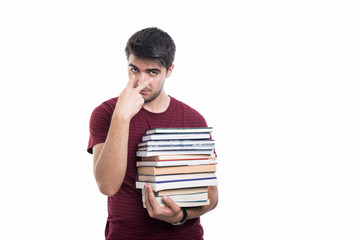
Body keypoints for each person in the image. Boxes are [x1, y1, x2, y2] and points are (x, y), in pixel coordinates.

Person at [87, 27, 218, 240]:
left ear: (169, 70)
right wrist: (122, 116)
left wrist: (180, 215)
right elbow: (108, 186)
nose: (141, 81)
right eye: (134, 69)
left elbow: (211, 196)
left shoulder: (193, 120)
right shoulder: (106, 113)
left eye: (153, 72)